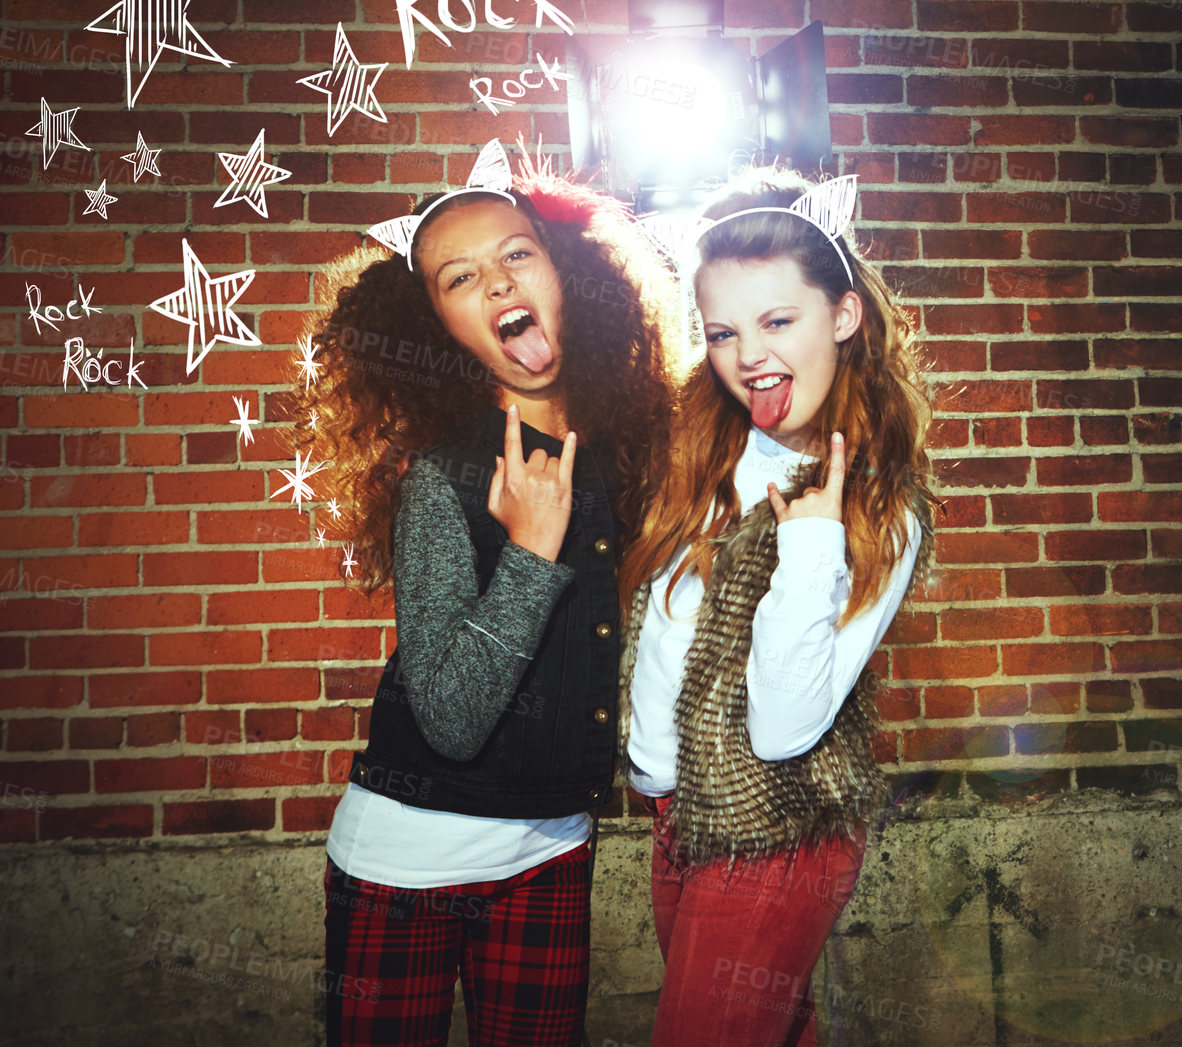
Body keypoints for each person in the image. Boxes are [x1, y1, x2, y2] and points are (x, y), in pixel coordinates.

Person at [297, 143, 678, 1047]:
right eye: (459, 276)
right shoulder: (441, 477)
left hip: (549, 848)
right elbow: (451, 716)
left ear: (564, 270)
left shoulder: (634, 452)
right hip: (404, 862)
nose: (498, 281)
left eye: (516, 252)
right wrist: (533, 550)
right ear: (437, 325)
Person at [616, 167, 937, 1047]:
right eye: (722, 331)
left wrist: (810, 542)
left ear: (844, 315)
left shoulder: (879, 507)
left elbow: (786, 725)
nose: (748, 353)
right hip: (677, 819)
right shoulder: (697, 455)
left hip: (776, 834)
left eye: (778, 321)